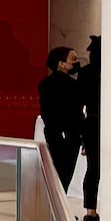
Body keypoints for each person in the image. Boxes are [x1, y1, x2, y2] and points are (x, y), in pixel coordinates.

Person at [40, 46, 84, 193]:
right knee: (65, 174)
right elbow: (77, 113)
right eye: (73, 59)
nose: (76, 62)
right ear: (61, 63)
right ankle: (60, 202)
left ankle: (56, 202)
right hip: (71, 135)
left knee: (57, 172)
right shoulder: (73, 86)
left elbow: (46, 113)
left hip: (53, 133)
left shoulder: (44, 84)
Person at [84, 35, 102, 221]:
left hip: (91, 122)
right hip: (103, 122)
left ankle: (90, 212)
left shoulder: (85, 73)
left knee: (92, 169)